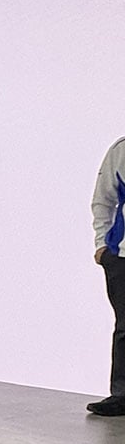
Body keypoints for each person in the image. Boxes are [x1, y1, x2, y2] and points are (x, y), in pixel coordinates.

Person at [90, 138, 125, 417]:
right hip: (122, 256)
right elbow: (103, 200)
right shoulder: (121, 150)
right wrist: (102, 245)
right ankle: (122, 395)